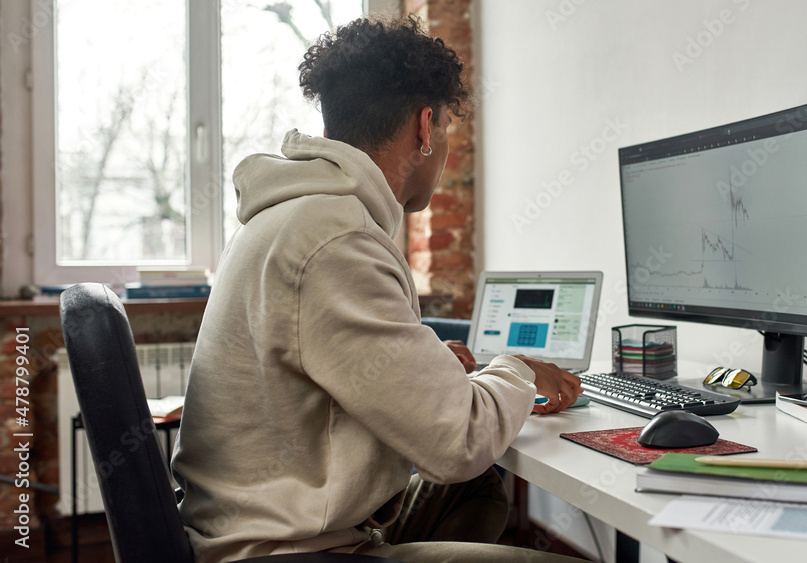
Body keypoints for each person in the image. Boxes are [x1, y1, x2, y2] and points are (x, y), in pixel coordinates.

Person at [171, 14, 586, 563]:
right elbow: (458, 440)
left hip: (261, 521)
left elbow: (321, 370)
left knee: (475, 486)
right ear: (424, 126)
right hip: (281, 550)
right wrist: (520, 369)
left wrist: (425, 368)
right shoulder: (335, 238)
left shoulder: (297, 217)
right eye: (445, 132)